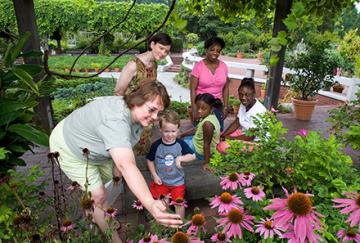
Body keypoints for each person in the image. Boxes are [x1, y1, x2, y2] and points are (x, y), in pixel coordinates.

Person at [49, 81, 182, 243]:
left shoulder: (138, 115)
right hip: (69, 146)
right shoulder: (115, 120)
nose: (155, 117)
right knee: (98, 195)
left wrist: (118, 171)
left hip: (96, 147)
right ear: (136, 101)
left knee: (112, 184)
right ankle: (113, 237)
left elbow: (123, 153)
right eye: (152, 110)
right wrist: (150, 203)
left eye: (159, 112)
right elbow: (126, 165)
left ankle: (97, 214)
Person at [114, 32, 172, 155]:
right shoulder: (133, 65)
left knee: (142, 148)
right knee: (127, 149)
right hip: (132, 115)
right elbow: (118, 91)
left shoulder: (154, 65)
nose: (163, 53)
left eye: (166, 51)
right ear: (152, 44)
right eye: (161, 48)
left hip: (147, 116)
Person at [146, 110, 196, 219]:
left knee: (179, 204)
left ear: (178, 130)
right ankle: (167, 223)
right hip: (161, 181)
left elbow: (193, 156)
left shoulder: (180, 144)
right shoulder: (156, 145)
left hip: (177, 181)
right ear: (160, 130)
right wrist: (154, 175)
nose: (170, 134)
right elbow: (149, 160)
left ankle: (179, 224)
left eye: (173, 131)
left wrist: (180, 158)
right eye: (166, 131)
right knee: (164, 204)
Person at [217, 78, 267, 154]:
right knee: (217, 138)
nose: (243, 98)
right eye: (241, 94)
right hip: (244, 134)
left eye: (247, 95)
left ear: (254, 94)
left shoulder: (259, 111)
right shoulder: (243, 105)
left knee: (223, 146)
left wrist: (230, 139)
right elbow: (237, 122)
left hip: (258, 142)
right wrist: (224, 135)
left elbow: (251, 136)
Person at [190, 36, 229, 131]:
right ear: (206, 49)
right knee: (201, 134)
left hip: (217, 106)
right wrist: (195, 109)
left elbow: (226, 88)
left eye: (218, 51)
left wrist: (225, 107)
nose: (215, 53)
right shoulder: (198, 67)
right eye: (212, 50)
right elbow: (192, 89)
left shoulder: (223, 66)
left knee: (217, 132)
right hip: (201, 107)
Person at [180, 93, 221, 172]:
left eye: (203, 108)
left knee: (174, 145)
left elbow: (207, 144)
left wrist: (206, 163)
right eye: (198, 107)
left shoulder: (208, 124)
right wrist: (182, 134)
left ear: (212, 109)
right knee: (181, 138)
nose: (199, 111)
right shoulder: (207, 116)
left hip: (199, 151)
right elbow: (197, 129)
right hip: (197, 142)